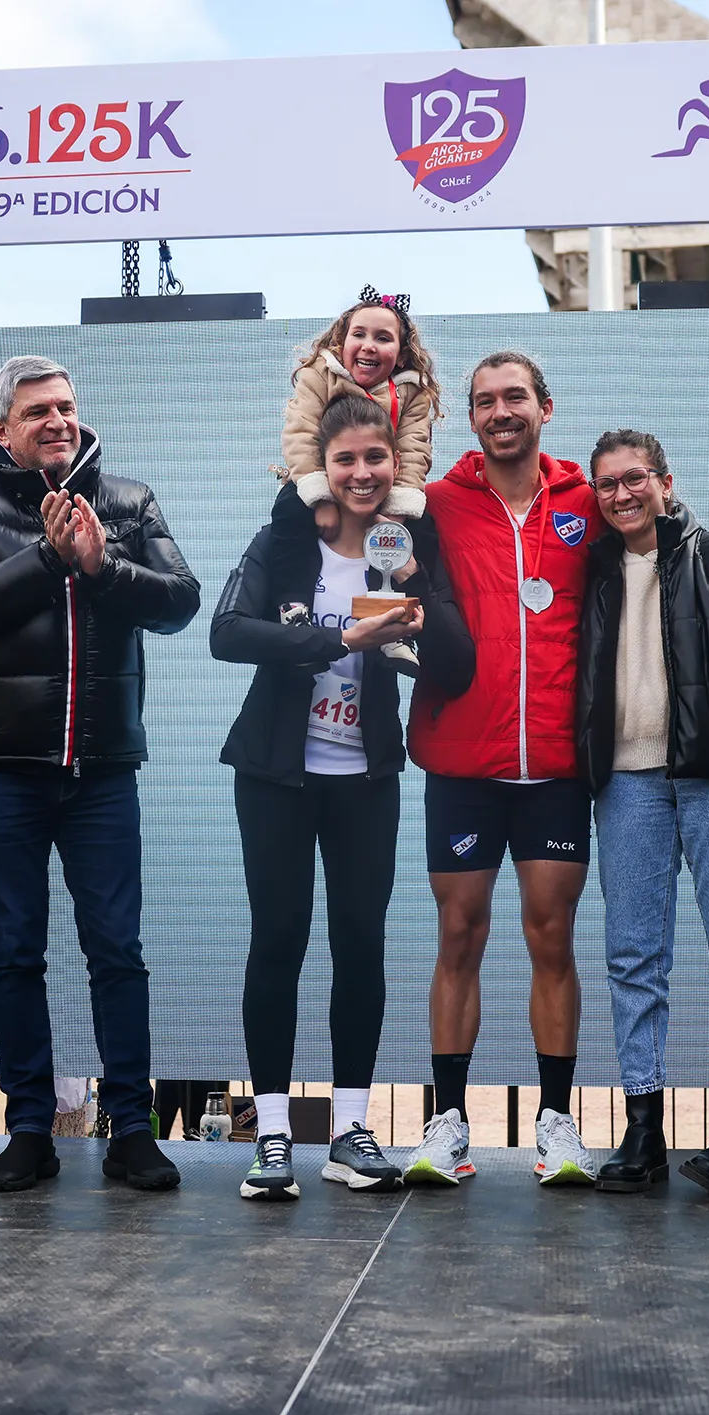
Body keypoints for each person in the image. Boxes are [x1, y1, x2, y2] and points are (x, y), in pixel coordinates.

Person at [0, 355, 200, 1194]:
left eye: (66, 406)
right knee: (15, 952)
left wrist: (100, 565)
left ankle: (132, 1129)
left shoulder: (128, 501)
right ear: (2, 429)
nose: (57, 421)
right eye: (37, 410)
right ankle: (29, 1130)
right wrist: (49, 558)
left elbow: (181, 600)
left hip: (103, 770)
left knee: (118, 952)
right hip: (0, 770)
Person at [211, 394, 475, 1201]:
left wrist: (417, 597)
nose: (362, 473)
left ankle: (351, 1132)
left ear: (396, 464)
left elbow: (459, 664)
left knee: (360, 944)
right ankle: (273, 1137)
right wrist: (338, 639)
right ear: (322, 468)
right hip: (275, 778)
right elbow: (228, 632)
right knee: (279, 940)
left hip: (366, 779)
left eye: (375, 458)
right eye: (346, 460)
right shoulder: (287, 540)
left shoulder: (411, 546)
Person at [577, 430, 709, 1196]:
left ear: (666, 482)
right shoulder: (595, 571)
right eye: (607, 484)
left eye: (635, 478)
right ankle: (643, 1131)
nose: (622, 494)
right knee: (632, 960)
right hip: (626, 786)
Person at [403, 351, 603, 1187]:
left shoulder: (589, 503)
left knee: (551, 937)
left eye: (514, 396)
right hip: (462, 759)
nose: (500, 411)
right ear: (472, 418)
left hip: (556, 764)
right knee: (460, 935)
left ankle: (556, 1126)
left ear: (545, 407)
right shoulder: (433, 505)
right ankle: (449, 1127)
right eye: (484, 401)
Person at [280, 285, 438, 524]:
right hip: (320, 478)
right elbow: (301, 433)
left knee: (423, 527)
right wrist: (320, 499)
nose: (369, 346)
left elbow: (413, 449)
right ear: (341, 343)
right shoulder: (321, 374)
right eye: (359, 334)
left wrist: (397, 510)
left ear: (402, 355)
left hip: (379, 487)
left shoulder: (412, 391)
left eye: (383, 338)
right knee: (288, 512)